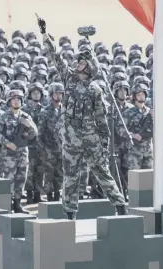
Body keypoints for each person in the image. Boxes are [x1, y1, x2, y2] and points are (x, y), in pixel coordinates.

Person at [39, 17, 126, 219]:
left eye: (82, 61)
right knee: (70, 177)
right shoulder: (68, 79)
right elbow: (56, 58)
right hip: (70, 139)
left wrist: (103, 142)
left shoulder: (95, 90)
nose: (77, 63)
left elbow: (101, 119)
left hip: (91, 139)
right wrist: (45, 34)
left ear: (89, 67)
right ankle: (70, 212)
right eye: (78, 61)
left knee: (102, 173)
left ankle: (120, 205)